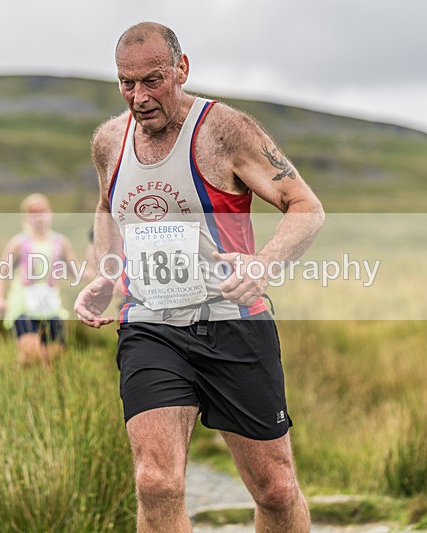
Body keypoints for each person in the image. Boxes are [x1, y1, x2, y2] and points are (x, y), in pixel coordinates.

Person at [74, 22, 325, 533]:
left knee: (275, 489)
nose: (139, 97)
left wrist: (263, 265)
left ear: (182, 69)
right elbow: (107, 206)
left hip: (235, 322)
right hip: (150, 325)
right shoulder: (108, 141)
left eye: (153, 80)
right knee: (155, 482)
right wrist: (105, 270)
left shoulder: (224, 130)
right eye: (127, 83)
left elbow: (306, 207)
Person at [0, 193, 77, 367]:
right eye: (33, 212)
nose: (38, 216)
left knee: (51, 361)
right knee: (34, 356)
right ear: (26, 217)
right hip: (23, 306)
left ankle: (27, 381)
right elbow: (1, 272)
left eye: (42, 210)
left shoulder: (61, 243)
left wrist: (103, 272)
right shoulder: (18, 243)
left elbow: (76, 273)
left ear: (50, 213)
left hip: (52, 307)